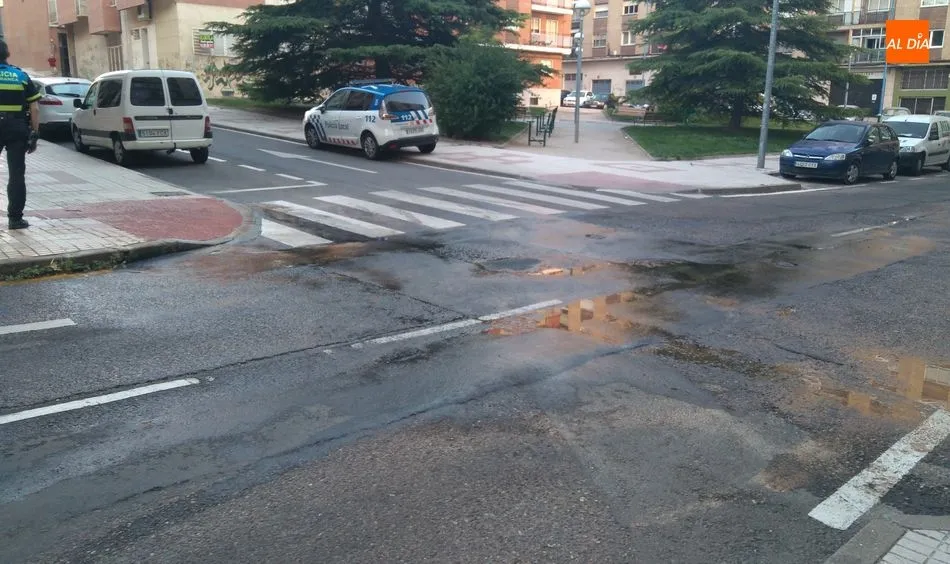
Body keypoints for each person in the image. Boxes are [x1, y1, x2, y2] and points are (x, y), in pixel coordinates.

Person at [0, 39, 40, 230]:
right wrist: (34, 133)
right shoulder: (20, 76)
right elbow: (34, 107)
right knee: (16, 174)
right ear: (7, 54)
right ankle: (15, 219)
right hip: (17, 127)